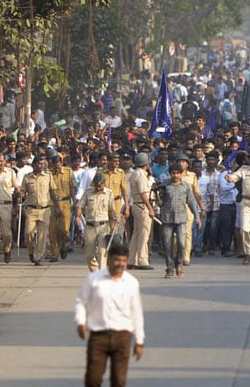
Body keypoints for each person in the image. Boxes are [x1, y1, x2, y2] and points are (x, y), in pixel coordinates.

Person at [74, 244, 145, 387]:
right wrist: (80, 322)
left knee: (119, 381)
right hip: (99, 337)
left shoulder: (131, 283)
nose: (120, 264)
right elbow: (81, 302)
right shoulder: (94, 279)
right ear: (109, 260)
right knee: (92, 380)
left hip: (122, 337)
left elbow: (136, 311)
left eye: (124, 261)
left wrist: (139, 340)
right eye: (117, 260)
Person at [156, 164, 200, 278]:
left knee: (182, 243)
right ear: (169, 174)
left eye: (177, 173)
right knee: (167, 245)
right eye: (173, 173)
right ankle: (169, 268)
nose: (175, 175)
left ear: (181, 174)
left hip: (181, 219)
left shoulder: (185, 186)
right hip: (167, 218)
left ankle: (179, 263)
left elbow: (191, 202)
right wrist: (157, 193)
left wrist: (197, 216)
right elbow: (159, 202)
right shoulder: (164, 185)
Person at [21, 155, 59, 266]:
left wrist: (57, 206)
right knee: (28, 233)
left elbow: (53, 191)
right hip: (31, 210)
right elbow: (23, 191)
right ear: (34, 165)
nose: (42, 166)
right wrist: (20, 194)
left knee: (43, 235)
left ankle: (38, 257)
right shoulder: (27, 177)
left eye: (43, 164)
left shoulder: (48, 176)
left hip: (45, 209)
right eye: (39, 163)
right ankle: (32, 251)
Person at [76, 173, 116, 271]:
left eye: (101, 186)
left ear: (104, 184)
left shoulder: (109, 193)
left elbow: (111, 209)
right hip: (90, 226)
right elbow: (80, 206)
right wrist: (77, 216)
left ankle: (101, 274)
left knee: (102, 252)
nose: (99, 188)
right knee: (89, 254)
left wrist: (114, 219)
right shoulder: (88, 192)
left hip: (103, 226)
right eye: (97, 186)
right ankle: (95, 272)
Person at [128, 153, 156, 269]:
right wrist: (150, 208)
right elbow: (143, 194)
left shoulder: (134, 173)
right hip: (142, 205)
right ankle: (142, 260)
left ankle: (132, 259)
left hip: (135, 204)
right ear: (146, 164)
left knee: (136, 233)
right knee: (144, 234)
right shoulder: (141, 175)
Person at [49, 153, 75, 261]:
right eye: (55, 165)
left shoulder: (68, 172)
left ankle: (63, 246)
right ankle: (54, 254)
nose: (57, 166)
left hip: (65, 202)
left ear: (61, 163)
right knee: (52, 230)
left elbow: (72, 187)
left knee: (64, 229)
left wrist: (75, 202)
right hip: (52, 203)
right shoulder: (49, 174)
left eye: (58, 164)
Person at [102, 152, 130, 237]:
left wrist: (127, 207)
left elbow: (124, 191)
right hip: (104, 202)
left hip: (116, 203)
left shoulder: (120, 173)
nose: (117, 163)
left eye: (118, 161)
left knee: (116, 227)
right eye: (115, 161)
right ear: (109, 161)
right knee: (104, 226)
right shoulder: (101, 172)